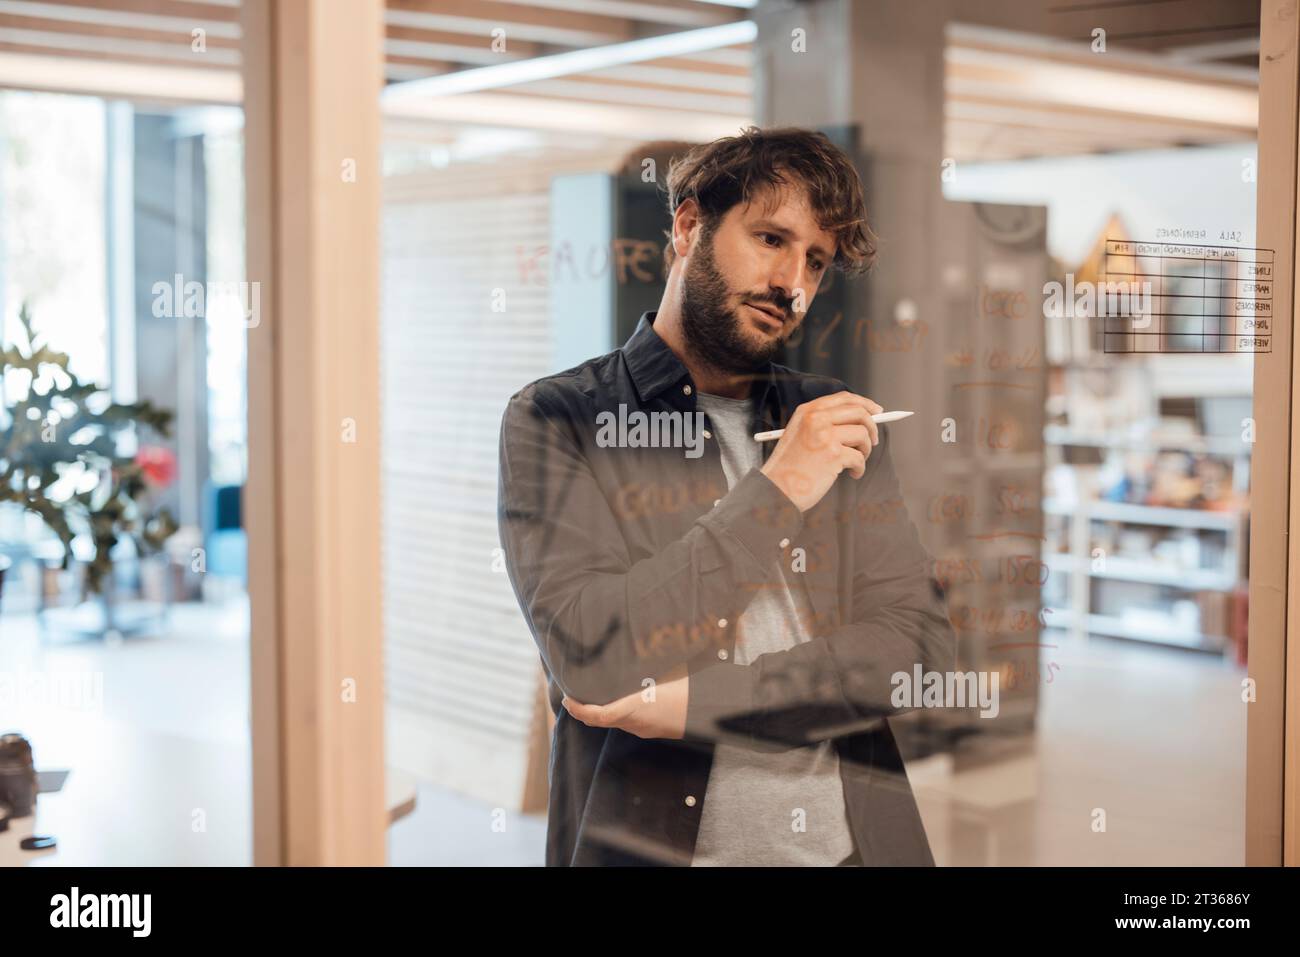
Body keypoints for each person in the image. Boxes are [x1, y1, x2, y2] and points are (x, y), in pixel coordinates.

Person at [497, 126, 956, 866]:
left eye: (816, 260)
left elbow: (918, 649)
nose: (791, 282)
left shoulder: (836, 418)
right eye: (771, 238)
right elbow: (595, 655)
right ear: (688, 225)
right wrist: (778, 490)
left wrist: (693, 704)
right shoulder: (559, 419)